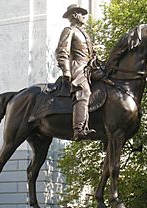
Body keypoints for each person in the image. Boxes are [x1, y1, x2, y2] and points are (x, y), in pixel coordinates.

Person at [56, 4, 96, 141]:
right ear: (74, 15)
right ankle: (79, 129)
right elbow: (62, 51)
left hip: (90, 67)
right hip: (77, 67)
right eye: (81, 13)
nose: (84, 16)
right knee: (84, 92)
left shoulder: (85, 33)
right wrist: (66, 71)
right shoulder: (69, 30)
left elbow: (90, 53)